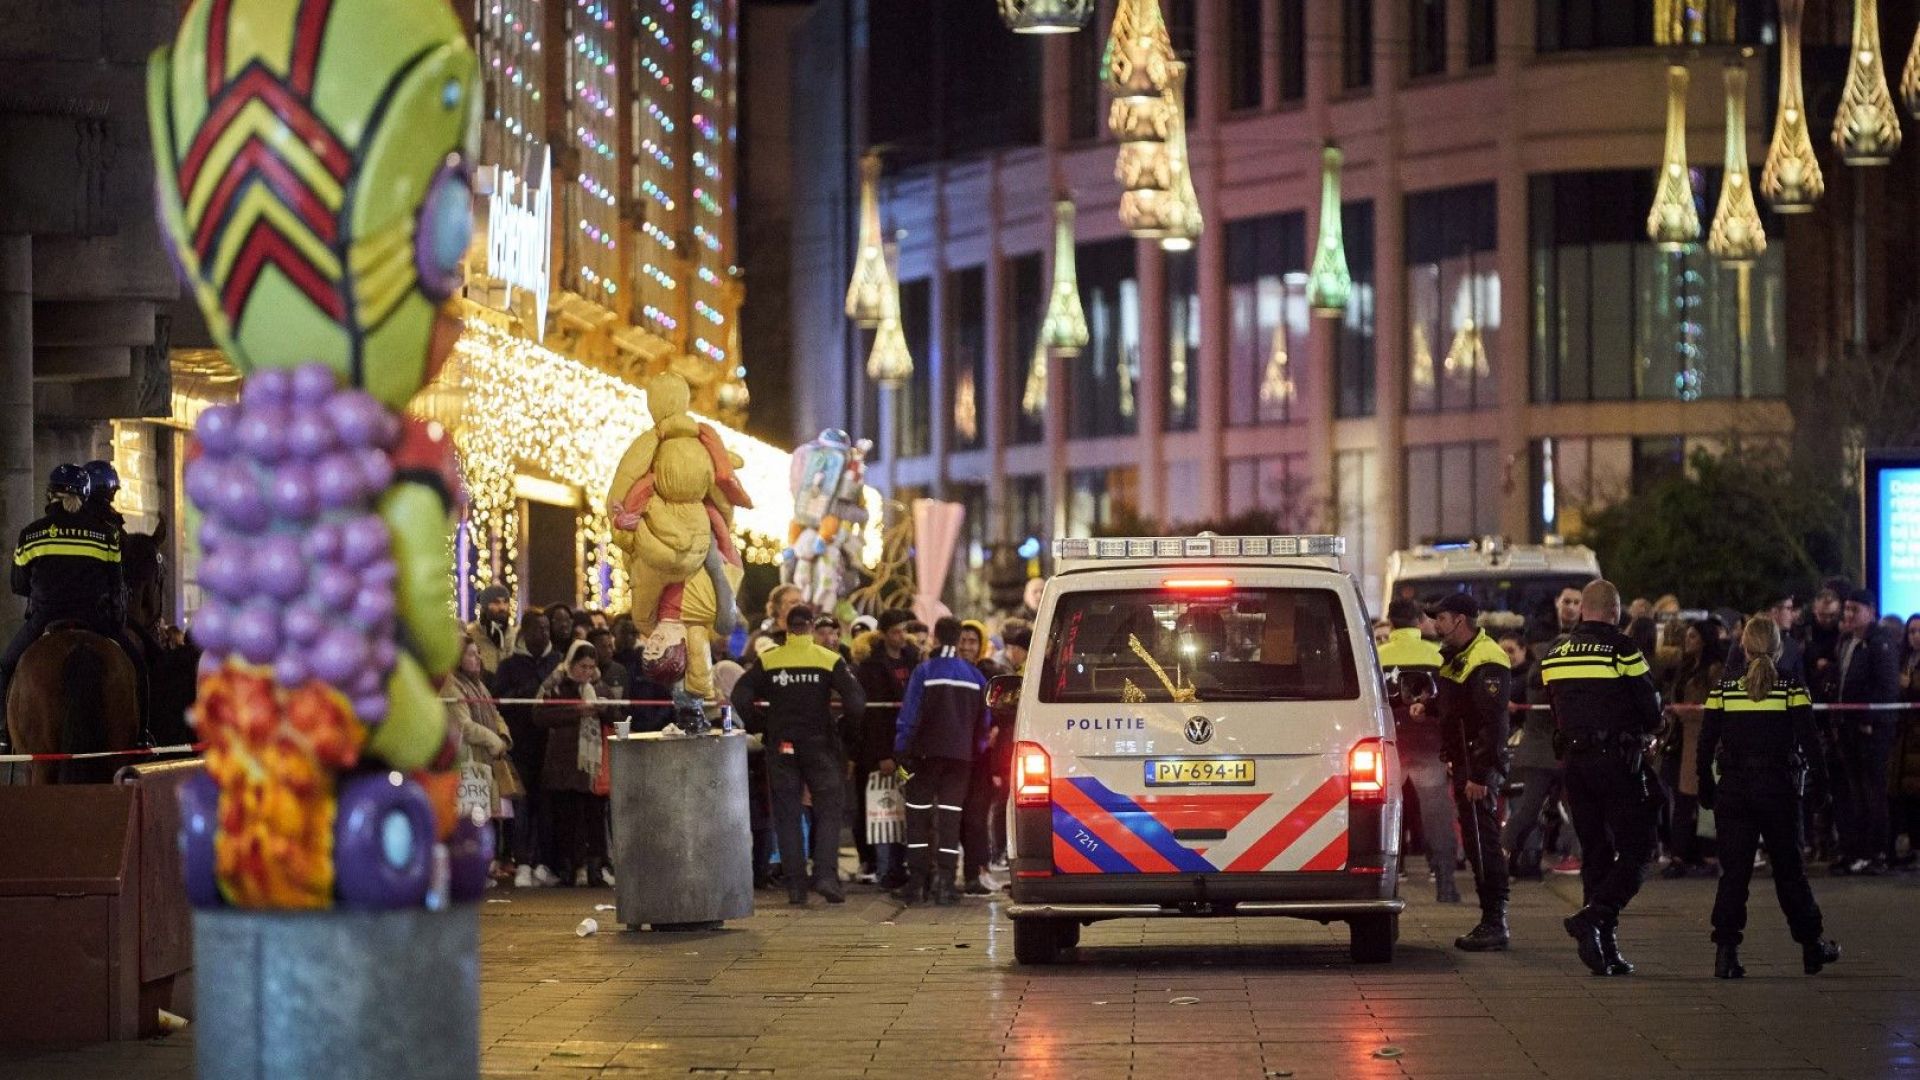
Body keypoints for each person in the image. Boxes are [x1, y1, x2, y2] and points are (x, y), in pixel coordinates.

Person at [1698, 616, 1841, 979]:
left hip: (1734, 788)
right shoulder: (1792, 688)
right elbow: (1811, 741)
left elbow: (1706, 741)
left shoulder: (1724, 688)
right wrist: (1821, 787)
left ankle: (1725, 954)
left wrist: (1705, 783)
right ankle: (1812, 947)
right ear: (1779, 649)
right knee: (1790, 872)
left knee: (1734, 874)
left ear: (1743, 648)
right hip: (1778, 790)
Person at [1540, 579, 1664, 977]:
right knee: (1639, 848)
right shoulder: (1624, 649)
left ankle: (1601, 948)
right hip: (1617, 762)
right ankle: (1595, 917)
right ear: (1616, 610)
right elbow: (1651, 708)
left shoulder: (1555, 652)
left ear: (1581, 610)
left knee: (1594, 851)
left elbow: (1556, 704)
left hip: (1574, 764)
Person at [731, 605, 866, 905]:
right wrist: (843, 730)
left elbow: (740, 695)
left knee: (788, 813)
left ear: (788, 628)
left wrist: (762, 727)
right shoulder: (828, 660)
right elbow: (857, 702)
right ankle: (825, 876)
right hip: (820, 745)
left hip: (782, 746)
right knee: (829, 809)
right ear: (811, 627)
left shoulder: (769, 660)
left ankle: (795, 885)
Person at [1, 466, 139, 731]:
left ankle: (3, 734)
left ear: (51, 495)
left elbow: (18, 585)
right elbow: (115, 584)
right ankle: (142, 733)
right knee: (137, 666)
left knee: (6, 666)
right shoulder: (106, 534)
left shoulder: (31, 534)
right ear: (85, 497)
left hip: (45, 618)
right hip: (94, 618)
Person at [885, 617, 989, 906]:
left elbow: (909, 714)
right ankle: (946, 883)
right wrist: (974, 750)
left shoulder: (924, 672)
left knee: (917, 818)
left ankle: (917, 882)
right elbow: (984, 723)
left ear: (935, 637)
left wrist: (901, 750)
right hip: (960, 759)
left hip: (924, 756)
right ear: (957, 640)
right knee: (949, 819)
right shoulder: (974, 676)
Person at [1429, 593, 1513, 950]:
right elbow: (1457, 707)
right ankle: (1490, 919)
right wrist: (1428, 707)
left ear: (1461, 619)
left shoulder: (1486, 658)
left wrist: (1479, 775)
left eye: (1441, 618)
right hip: (1465, 763)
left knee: (1483, 843)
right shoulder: (1459, 657)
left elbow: (1492, 725)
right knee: (1478, 840)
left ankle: (1495, 922)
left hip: (1477, 767)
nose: (1436, 624)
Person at [1381, 599, 1456, 902]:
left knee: (1384, 812)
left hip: (1390, 745)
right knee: (1437, 814)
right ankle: (1446, 885)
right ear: (1419, 622)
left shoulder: (1376, 654)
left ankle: (1384, 884)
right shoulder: (1437, 654)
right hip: (1428, 744)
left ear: (1391, 622)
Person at [533, 641, 616, 887]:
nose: (587, 672)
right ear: (571, 664)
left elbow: (616, 715)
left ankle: (594, 868)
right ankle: (568, 867)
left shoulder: (600, 688)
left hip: (592, 766)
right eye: (582, 666)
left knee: (593, 819)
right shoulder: (556, 686)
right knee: (566, 819)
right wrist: (576, 711)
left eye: (592, 667)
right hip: (564, 764)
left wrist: (601, 709)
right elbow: (539, 715)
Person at [1831, 589, 1900, 875]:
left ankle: (1877, 852)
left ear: (1870, 612)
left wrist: (1871, 719)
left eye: (1854, 610)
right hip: (1847, 728)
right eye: (1846, 609)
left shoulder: (1879, 644)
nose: (1848, 615)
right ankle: (1856, 851)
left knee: (1873, 791)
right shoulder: (1847, 642)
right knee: (1854, 792)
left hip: (1871, 731)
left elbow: (1886, 688)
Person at [855, 609, 921, 887]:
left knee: (906, 804)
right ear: (883, 634)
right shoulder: (872, 666)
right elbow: (873, 716)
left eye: (903, 630)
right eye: (895, 631)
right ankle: (885, 867)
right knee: (883, 807)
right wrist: (883, 754)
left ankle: (903, 862)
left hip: (907, 751)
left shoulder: (912, 659)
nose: (901, 636)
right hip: (884, 750)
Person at [495, 610, 561, 887]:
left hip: (551, 744)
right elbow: (502, 701)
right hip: (522, 743)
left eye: (547, 628)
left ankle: (543, 862)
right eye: (538, 628)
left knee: (547, 806)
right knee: (522, 806)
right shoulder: (510, 666)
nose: (544, 633)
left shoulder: (557, 661)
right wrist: (533, 687)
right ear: (525, 632)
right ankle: (522, 861)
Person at [1505, 628, 1572, 881]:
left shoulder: (1537, 672)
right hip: (1548, 754)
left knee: (1529, 812)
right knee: (1529, 812)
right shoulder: (1554, 678)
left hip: (1537, 754)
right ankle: (1503, 855)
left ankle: (1509, 857)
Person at [1660, 620, 1726, 878]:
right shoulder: (1686, 667)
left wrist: (1686, 712)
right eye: (1687, 636)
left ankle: (1706, 855)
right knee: (1682, 800)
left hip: (1704, 740)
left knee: (1703, 801)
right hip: (1682, 739)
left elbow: (1716, 707)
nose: (1688, 641)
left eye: (1693, 637)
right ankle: (1681, 855)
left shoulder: (1714, 670)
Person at [447, 639, 516, 880]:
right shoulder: (452, 685)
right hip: (468, 760)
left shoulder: (479, 686)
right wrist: (493, 740)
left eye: (478, 654)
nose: (478, 659)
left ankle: (482, 869)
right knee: (469, 818)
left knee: (484, 817)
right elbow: (464, 725)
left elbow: (494, 713)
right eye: (471, 655)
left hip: (485, 760)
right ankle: (468, 872)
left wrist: (504, 735)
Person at [958, 617, 1008, 894]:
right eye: (962, 640)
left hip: (981, 760)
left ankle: (979, 869)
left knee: (977, 817)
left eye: (972, 641)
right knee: (963, 818)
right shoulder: (950, 672)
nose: (967, 646)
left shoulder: (986, 672)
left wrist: (994, 730)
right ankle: (972, 871)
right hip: (958, 756)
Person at [1726, 593, 1806, 682]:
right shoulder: (1743, 642)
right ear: (1774, 611)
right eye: (1789, 608)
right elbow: (1730, 678)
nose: (1793, 614)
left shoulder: (1792, 646)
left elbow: (1800, 683)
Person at [466, 584, 516, 679]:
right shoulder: (470, 634)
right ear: (485, 606)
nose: (502, 607)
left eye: (505, 602)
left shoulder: (514, 634)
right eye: (496, 602)